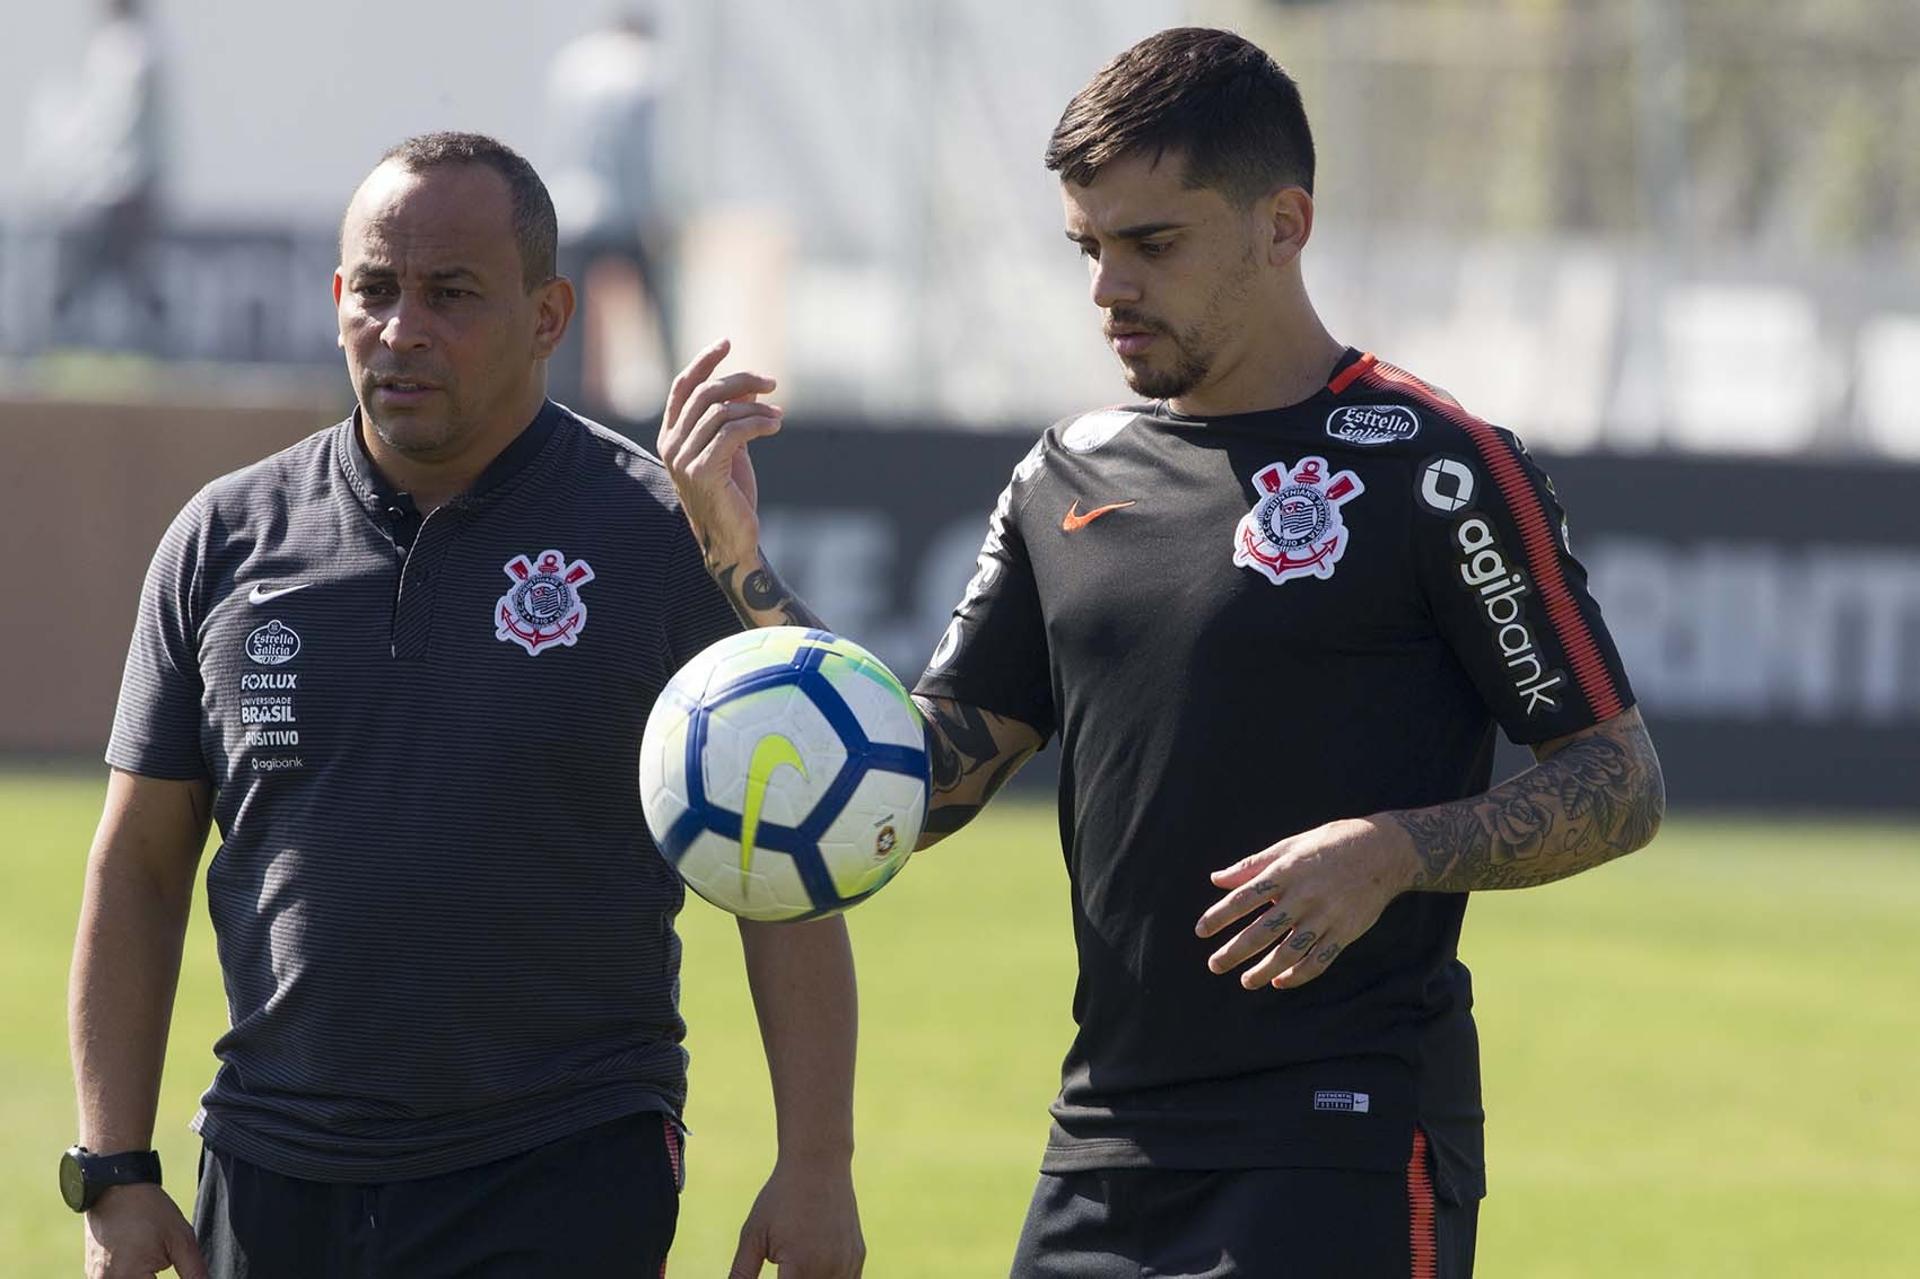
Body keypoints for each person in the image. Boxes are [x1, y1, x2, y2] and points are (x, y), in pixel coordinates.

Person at [656, 27, 1663, 1279]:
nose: (1108, 290)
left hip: (1341, 1141)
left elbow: (1619, 776)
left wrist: (1399, 850)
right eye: (1089, 247)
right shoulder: (1062, 476)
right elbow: (913, 784)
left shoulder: (1437, 468)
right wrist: (740, 560)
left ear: (1282, 224)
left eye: (1152, 244)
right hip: (1103, 1151)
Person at [68, 132, 863, 1279]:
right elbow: (137, 865)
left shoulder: (653, 538)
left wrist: (818, 1161)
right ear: (338, 297)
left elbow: (779, 866)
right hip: (275, 1171)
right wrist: (114, 1169)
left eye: (451, 295)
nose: (402, 330)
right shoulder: (224, 539)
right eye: (376, 292)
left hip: (561, 1160)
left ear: (549, 317)